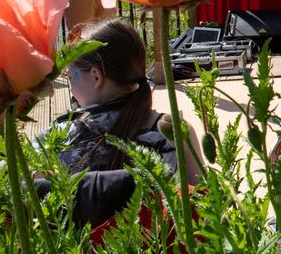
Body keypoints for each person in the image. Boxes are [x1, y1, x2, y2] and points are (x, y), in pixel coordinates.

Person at [38, 19, 203, 224]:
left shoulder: (60, 137)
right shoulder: (174, 130)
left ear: (96, 77)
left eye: (71, 78)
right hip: (158, 251)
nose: (71, 88)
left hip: (85, 252)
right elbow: (202, 205)